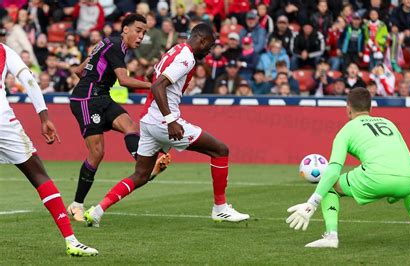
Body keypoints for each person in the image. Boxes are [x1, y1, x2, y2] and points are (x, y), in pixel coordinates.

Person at [83, 23, 249, 227]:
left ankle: (97, 210)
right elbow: (157, 84)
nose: (209, 51)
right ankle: (220, 209)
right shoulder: (186, 57)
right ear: (202, 40)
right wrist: (171, 121)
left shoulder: (175, 49)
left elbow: (151, 75)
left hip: (148, 120)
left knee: (141, 174)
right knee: (220, 150)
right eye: (209, 46)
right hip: (163, 121)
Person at [286, 88, 410, 248]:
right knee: (409, 182)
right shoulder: (389, 124)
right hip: (407, 181)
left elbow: (332, 171)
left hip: (375, 179)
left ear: (348, 109)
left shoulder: (346, 131)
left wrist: (312, 203)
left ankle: (331, 236)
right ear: (371, 109)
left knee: (331, 186)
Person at [67, 13, 168, 222]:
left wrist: (95, 80)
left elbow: (79, 70)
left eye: (144, 33)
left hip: (101, 97)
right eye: (138, 31)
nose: (141, 36)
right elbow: (123, 80)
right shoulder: (115, 46)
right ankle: (76, 205)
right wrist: (155, 86)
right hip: (86, 100)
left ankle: (142, 164)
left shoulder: (109, 44)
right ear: (125, 30)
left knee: (130, 126)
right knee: (97, 152)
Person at [0, 42, 98, 256]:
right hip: (2, 123)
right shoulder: (4, 51)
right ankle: (71, 240)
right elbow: (28, 79)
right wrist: (44, 117)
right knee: (38, 174)